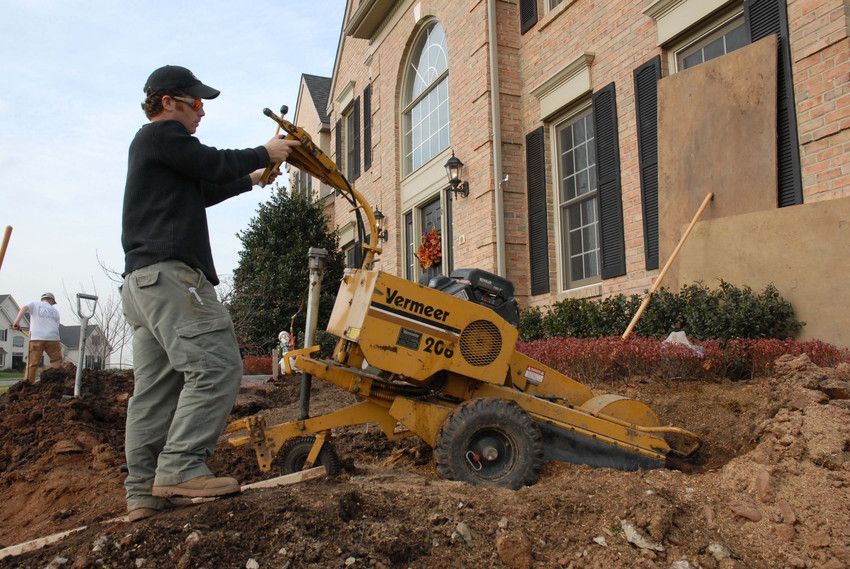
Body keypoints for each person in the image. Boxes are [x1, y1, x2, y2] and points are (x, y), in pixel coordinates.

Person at [120, 65, 299, 522]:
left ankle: (142, 492)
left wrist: (253, 177)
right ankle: (180, 466)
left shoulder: (159, 156)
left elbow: (203, 189)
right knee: (218, 366)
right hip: (173, 279)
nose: (202, 113)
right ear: (168, 102)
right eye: (196, 103)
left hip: (144, 285)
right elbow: (211, 162)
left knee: (155, 391)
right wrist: (265, 149)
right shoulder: (160, 137)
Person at [12, 292, 63, 382]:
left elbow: (24, 308)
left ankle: (28, 384)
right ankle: (58, 383)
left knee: (32, 364)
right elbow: (56, 326)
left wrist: (16, 322)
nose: (52, 304)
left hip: (37, 338)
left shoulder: (34, 303)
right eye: (53, 302)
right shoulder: (55, 311)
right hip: (53, 339)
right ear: (50, 300)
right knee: (57, 361)